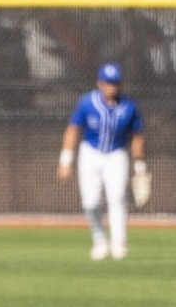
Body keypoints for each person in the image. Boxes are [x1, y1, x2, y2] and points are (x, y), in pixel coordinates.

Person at [58, 62, 146, 260]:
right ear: (99, 83)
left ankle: (119, 242)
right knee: (90, 202)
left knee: (117, 198)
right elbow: (73, 130)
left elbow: (138, 136)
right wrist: (65, 160)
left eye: (115, 83)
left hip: (116, 154)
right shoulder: (87, 103)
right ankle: (99, 240)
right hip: (90, 153)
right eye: (107, 83)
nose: (111, 87)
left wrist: (140, 166)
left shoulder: (129, 107)